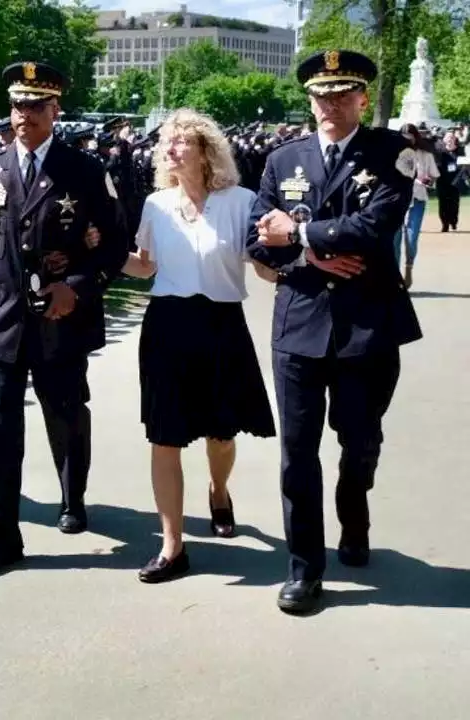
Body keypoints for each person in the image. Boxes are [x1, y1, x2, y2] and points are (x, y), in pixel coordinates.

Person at [247, 49, 422, 614]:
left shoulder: (391, 154)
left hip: (365, 327)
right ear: (309, 99)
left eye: (343, 93)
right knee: (298, 452)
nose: (330, 103)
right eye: (321, 94)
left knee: (360, 440)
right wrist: (312, 253)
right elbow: (255, 241)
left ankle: (354, 511)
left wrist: (296, 236)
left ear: (362, 98)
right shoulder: (283, 159)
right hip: (298, 325)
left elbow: (375, 229)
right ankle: (304, 568)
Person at [0, 61, 127, 576]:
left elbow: (115, 245)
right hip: (1, 319)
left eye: (35, 105)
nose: (23, 115)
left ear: (56, 110)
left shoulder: (85, 170)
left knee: (66, 413)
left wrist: (77, 287)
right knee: (1, 424)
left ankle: (72, 494)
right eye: (17, 105)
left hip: (61, 318)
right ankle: (4, 534)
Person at [121, 108, 276, 584]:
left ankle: (219, 489)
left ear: (207, 150)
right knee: (164, 436)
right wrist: (100, 252)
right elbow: (144, 267)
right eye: (168, 140)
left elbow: (263, 264)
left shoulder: (241, 201)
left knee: (221, 433)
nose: (172, 148)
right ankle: (173, 546)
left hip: (221, 324)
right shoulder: (156, 204)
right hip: (167, 324)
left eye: (183, 140)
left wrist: (297, 261)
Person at [395, 123, 439, 288]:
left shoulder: (425, 155)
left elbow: (434, 176)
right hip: (397, 201)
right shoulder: (394, 154)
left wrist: (428, 181)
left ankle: (408, 268)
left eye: (410, 138)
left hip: (418, 199)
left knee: (411, 239)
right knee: (395, 239)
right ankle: (395, 276)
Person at [436, 131, 464, 232]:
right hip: (442, 181)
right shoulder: (440, 152)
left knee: (454, 204)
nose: (449, 139)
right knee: (443, 203)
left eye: (452, 137)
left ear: (455, 139)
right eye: (447, 138)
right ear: (444, 140)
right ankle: (445, 223)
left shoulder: (460, 151)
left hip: (455, 182)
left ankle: (453, 222)